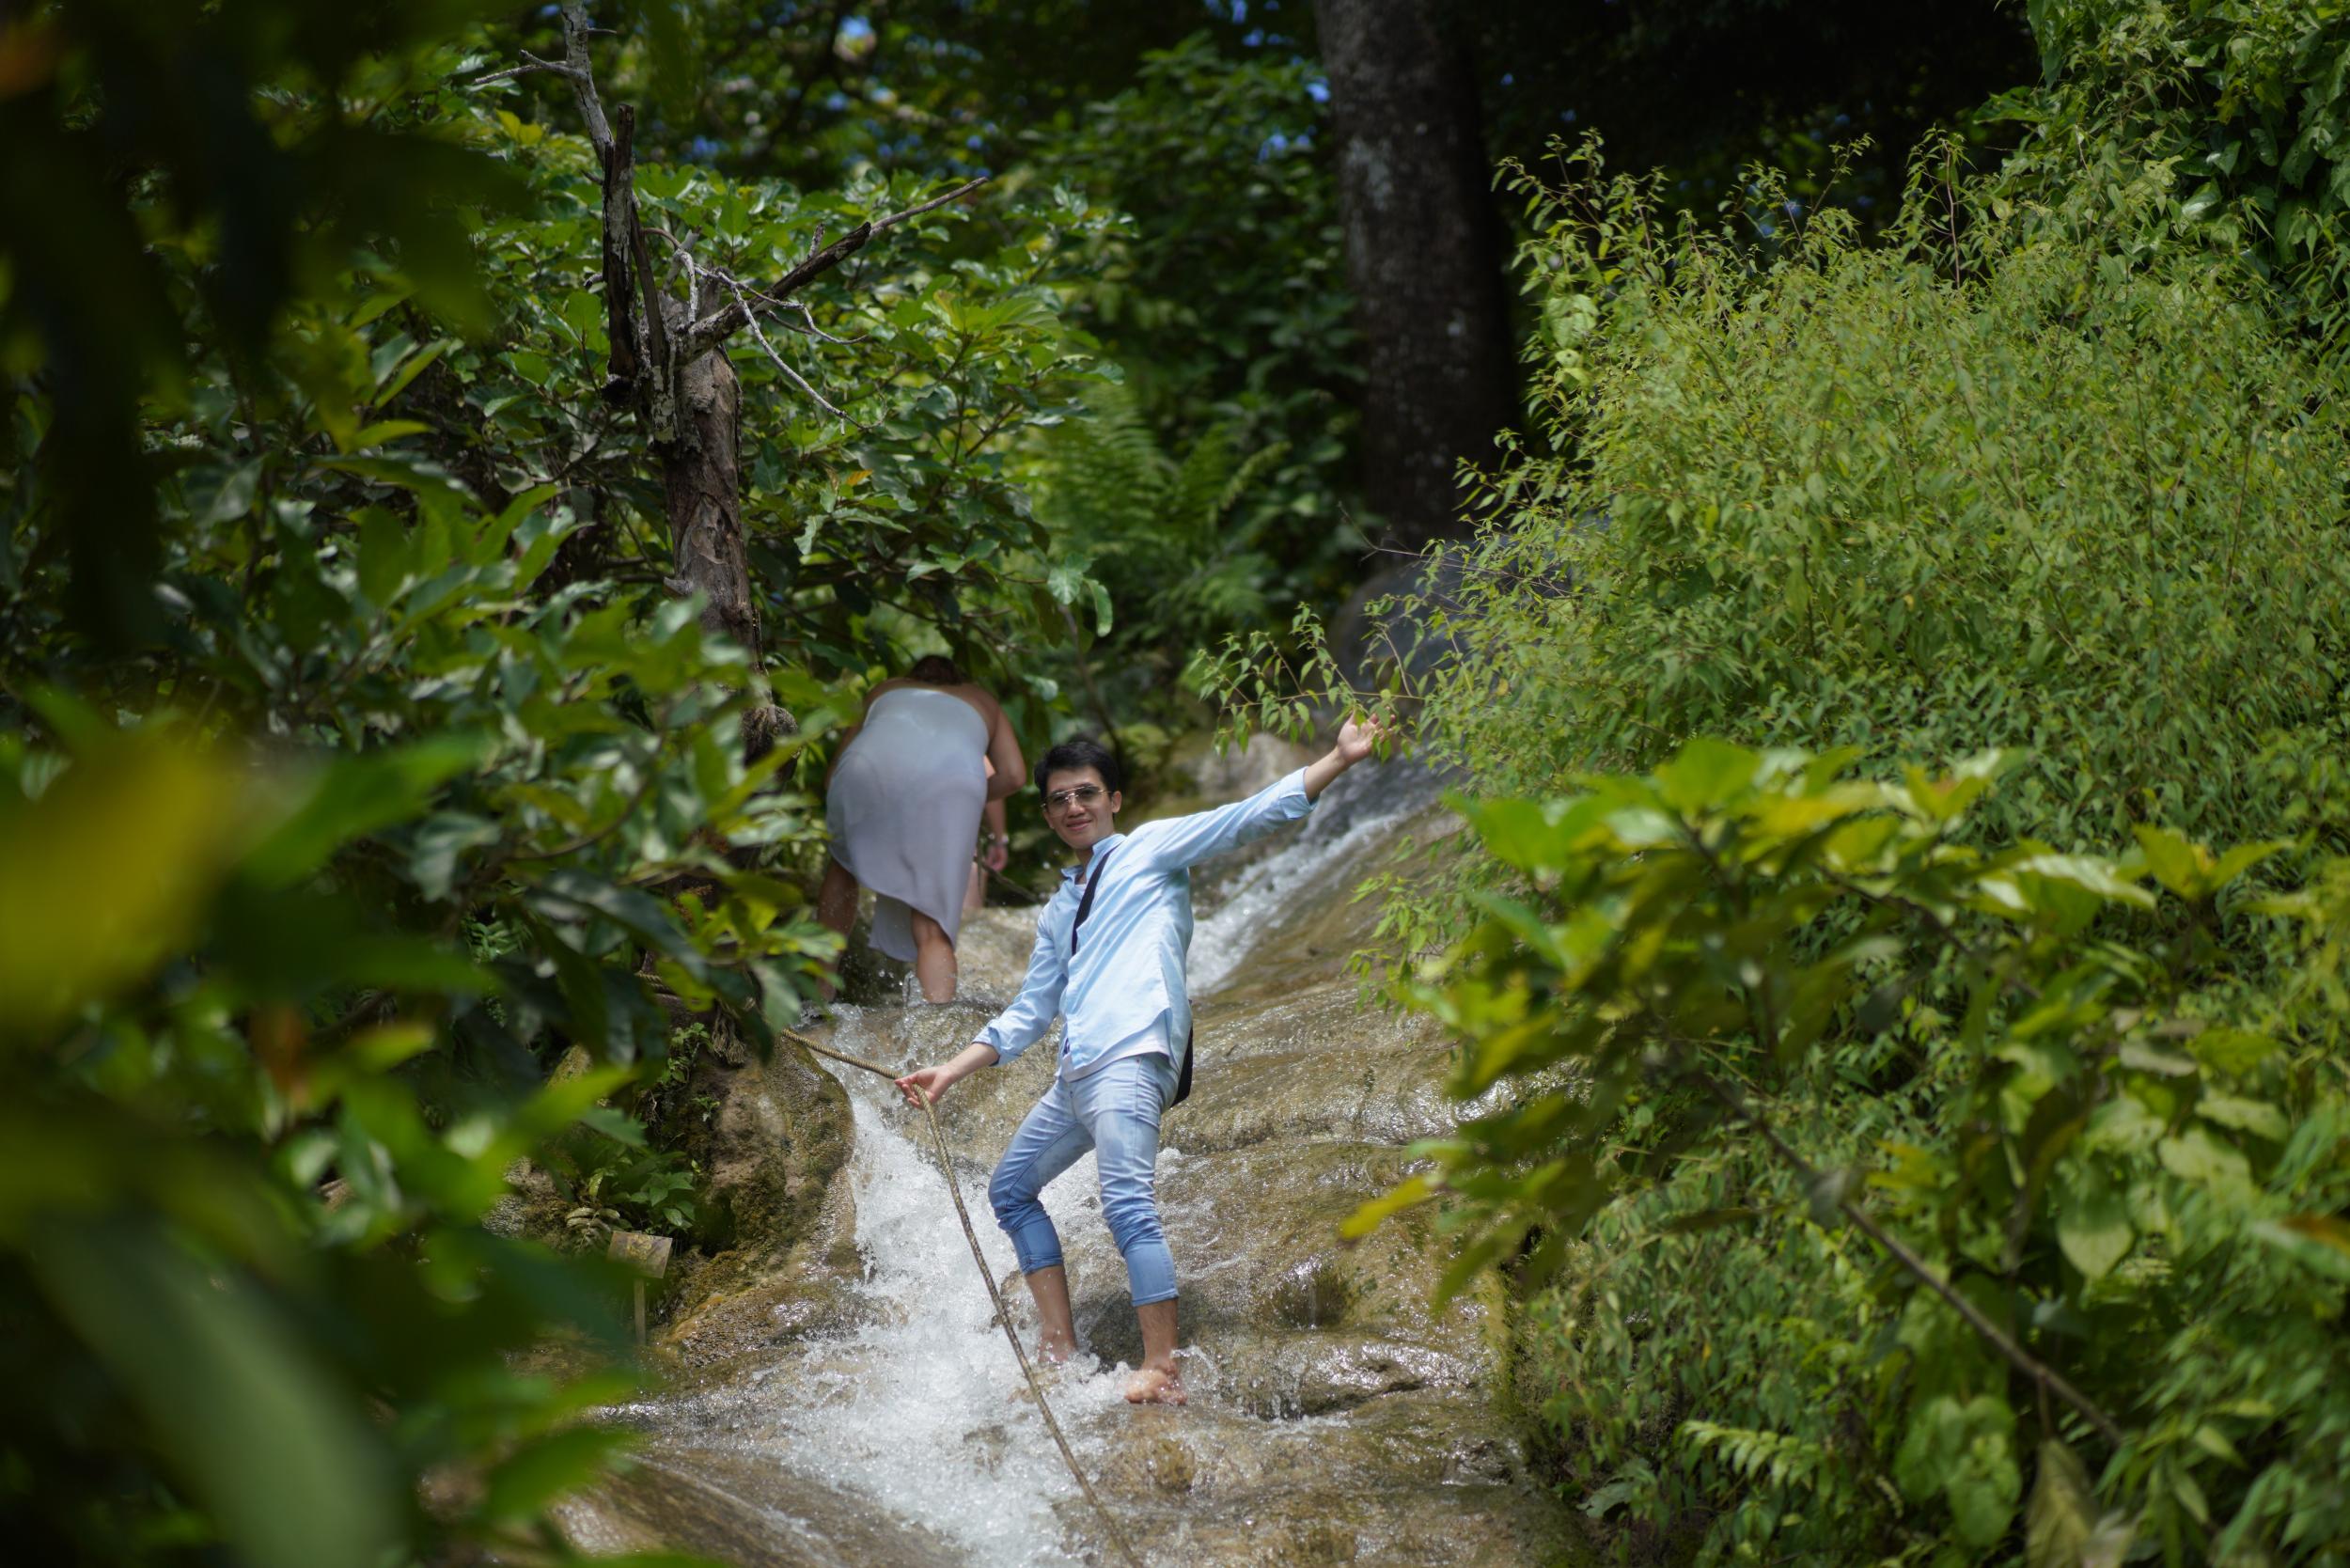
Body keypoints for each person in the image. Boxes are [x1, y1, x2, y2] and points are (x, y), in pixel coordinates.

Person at [894, 717, 1386, 1404]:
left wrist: (1338, 757)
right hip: (1077, 1072)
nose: (1074, 807)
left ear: (1114, 800)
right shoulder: (1058, 908)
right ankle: (1060, 1348)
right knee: (1009, 1191)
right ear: (1046, 813)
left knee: (1127, 1202)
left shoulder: (1151, 849)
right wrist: (951, 1068)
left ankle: (1162, 1366)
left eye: (1086, 793)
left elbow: (1245, 818)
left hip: (1133, 1053)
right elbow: (1031, 1012)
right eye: (1060, 799)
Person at [820, 656, 1025, 1003]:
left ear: (912, 676)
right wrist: (965, 799)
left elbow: (835, 772)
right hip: (949, 784)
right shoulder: (981, 698)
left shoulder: (886, 689)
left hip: (864, 770)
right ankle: (937, 1027)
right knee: (931, 925)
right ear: (958, 679)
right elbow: (1015, 775)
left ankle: (818, 992)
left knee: (843, 866)